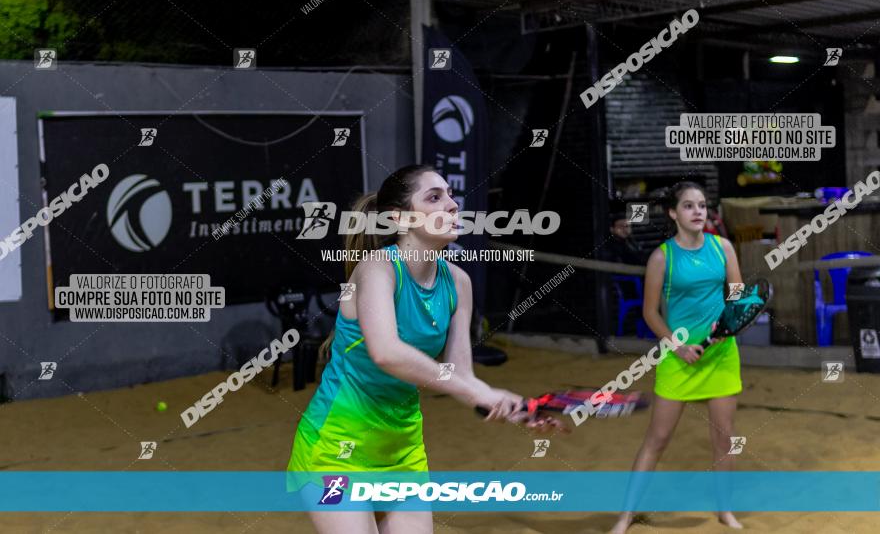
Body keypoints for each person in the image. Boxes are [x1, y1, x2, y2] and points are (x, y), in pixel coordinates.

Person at [287, 164, 563, 534]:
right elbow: (387, 352)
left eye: (450, 194)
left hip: (402, 450)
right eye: (434, 197)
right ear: (399, 218)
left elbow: (460, 373)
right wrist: (476, 391)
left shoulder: (458, 283)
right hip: (336, 448)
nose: (452, 205)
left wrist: (511, 409)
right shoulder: (377, 269)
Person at [611, 182, 744, 533]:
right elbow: (651, 313)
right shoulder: (662, 257)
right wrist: (679, 347)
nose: (698, 211)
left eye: (702, 205)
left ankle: (725, 511)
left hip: (720, 355)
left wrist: (730, 319)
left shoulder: (724, 248)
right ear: (673, 213)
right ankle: (625, 517)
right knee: (657, 439)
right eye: (689, 206)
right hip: (677, 356)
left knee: (724, 437)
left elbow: (738, 298)